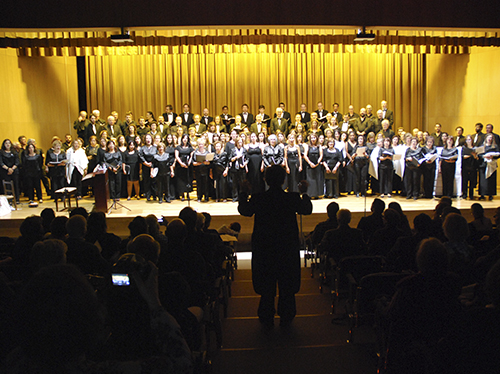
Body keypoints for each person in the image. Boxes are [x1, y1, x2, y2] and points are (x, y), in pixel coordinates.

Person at [238, 165, 312, 327]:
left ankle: (266, 316)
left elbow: (244, 210)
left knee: (266, 285)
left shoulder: (259, 198)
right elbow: (306, 209)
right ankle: (287, 316)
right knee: (287, 284)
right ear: (284, 180)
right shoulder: (291, 198)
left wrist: (243, 192)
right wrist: (304, 193)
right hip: (287, 247)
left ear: (265, 180)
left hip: (265, 248)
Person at [477, 133, 499, 200]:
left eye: (491, 138)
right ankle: (482, 194)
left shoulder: (495, 146)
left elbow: (498, 154)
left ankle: (490, 194)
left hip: (492, 165)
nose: (490, 139)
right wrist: (484, 156)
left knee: (491, 180)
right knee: (483, 180)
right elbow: (478, 155)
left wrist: (492, 156)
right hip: (483, 165)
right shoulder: (482, 146)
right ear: (486, 138)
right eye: (488, 138)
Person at [174, 134, 194, 201]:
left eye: (186, 138)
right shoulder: (178, 147)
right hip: (180, 166)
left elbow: (191, 156)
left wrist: (188, 163)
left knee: (188, 179)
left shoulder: (190, 148)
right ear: (182, 139)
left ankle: (188, 194)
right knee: (181, 181)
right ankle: (182, 195)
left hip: (188, 165)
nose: (185, 139)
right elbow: (177, 156)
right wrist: (181, 163)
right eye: (184, 138)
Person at [304, 133, 323, 199]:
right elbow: (305, 155)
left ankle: (317, 194)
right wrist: (310, 163)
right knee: (311, 180)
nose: (313, 139)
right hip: (310, 165)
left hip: (317, 165)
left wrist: (318, 162)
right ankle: (310, 194)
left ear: (316, 138)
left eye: (314, 138)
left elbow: (321, 155)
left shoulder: (319, 146)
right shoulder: (307, 146)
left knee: (317, 179)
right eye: (312, 138)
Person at [139, 133, 157, 201]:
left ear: (151, 139)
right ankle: (148, 195)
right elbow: (141, 156)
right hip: (145, 166)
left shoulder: (155, 148)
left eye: (149, 138)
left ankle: (154, 195)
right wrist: (146, 163)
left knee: (154, 182)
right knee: (146, 181)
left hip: (153, 166)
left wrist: (152, 164)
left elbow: (156, 156)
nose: (148, 140)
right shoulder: (142, 148)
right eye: (147, 138)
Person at [229, 138, 248, 202]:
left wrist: (244, 164)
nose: (240, 144)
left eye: (241, 142)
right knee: (234, 183)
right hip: (234, 168)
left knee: (242, 183)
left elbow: (247, 159)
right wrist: (236, 157)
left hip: (242, 168)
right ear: (236, 143)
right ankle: (235, 197)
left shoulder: (244, 150)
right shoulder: (233, 150)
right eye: (238, 143)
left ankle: (242, 196)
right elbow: (230, 159)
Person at [461, 135, 478, 199]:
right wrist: (470, 155)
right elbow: (463, 156)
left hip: (473, 166)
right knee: (464, 181)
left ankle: (471, 195)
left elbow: (477, 158)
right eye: (467, 140)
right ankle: (464, 194)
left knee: (472, 181)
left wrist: (475, 156)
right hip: (465, 165)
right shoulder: (464, 148)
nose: (468, 141)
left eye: (470, 139)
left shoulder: (475, 148)